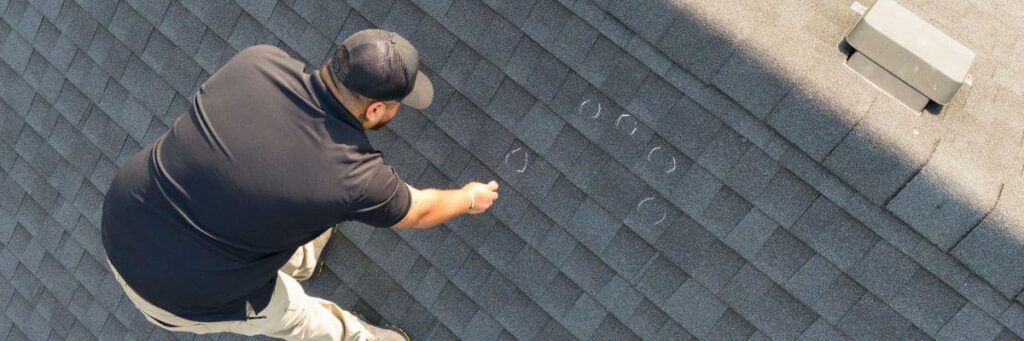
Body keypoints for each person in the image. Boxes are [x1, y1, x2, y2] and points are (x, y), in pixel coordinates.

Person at [100, 29, 500, 340]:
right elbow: (418, 209)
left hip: (125, 216)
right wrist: (469, 198)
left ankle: (303, 260)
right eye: (396, 104)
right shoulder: (352, 175)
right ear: (376, 109)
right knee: (294, 316)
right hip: (176, 292)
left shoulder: (257, 61)